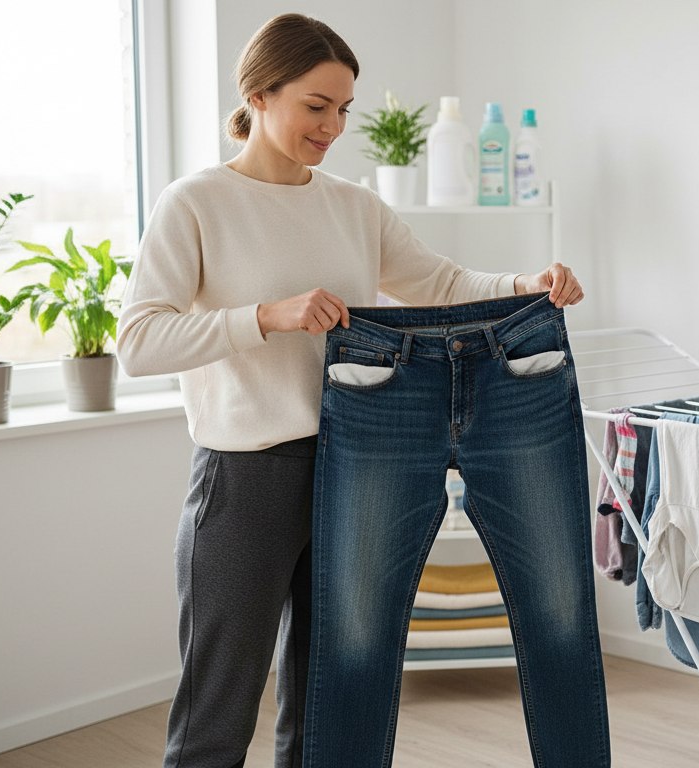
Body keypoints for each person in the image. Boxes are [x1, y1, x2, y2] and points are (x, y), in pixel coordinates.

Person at [116, 12, 583, 768]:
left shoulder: (353, 205)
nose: (333, 126)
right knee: (217, 710)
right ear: (259, 95)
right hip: (247, 480)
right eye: (315, 106)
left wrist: (524, 283)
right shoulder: (195, 203)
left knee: (328, 707)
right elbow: (138, 342)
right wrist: (266, 316)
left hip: (358, 469)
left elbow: (439, 283)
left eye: (343, 109)